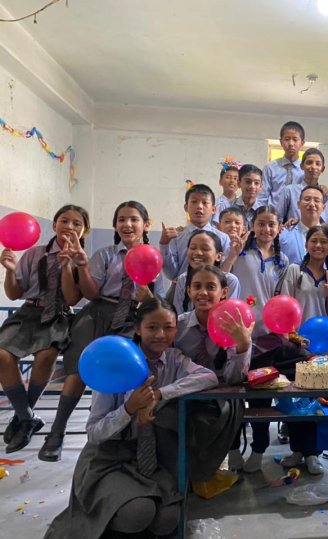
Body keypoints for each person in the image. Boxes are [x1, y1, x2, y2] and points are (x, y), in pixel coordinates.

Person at [44, 298, 218, 538]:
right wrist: (129, 409)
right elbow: (95, 433)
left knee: (168, 519)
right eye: (152, 327)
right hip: (109, 458)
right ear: (138, 328)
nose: (160, 335)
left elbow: (208, 377)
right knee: (137, 513)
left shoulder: (174, 359)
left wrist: (160, 394)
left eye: (168, 327)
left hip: (149, 457)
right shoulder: (116, 361)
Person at [39, 201, 164, 463]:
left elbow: (159, 303)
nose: (127, 224)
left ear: (146, 225)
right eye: (121, 220)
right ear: (115, 225)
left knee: (123, 374)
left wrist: (148, 297)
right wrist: (82, 266)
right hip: (97, 314)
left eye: (133, 219)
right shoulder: (105, 255)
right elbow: (91, 293)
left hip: (131, 319)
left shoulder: (154, 259)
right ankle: (56, 433)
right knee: (78, 370)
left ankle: (119, 435)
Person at [0, 205, 90, 453]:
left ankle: (22, 417)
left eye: (77, 224)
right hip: (29, 312)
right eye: (64, 221)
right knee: (2, 355)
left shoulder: (82, 260)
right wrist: (10, 271)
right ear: (54, 224)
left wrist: (66, 266)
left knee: (47, 354)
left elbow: (72, 299)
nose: (69, 227)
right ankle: (27, 417)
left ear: (84, 231)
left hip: (58, 314)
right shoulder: (34, 254)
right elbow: (14, 293)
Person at [222, 206, 290, 473]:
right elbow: (222, 278)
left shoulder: (283, 260)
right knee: (234, 396)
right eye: (261, 223)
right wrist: (231, 254)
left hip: (268, 340)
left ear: (279, 228)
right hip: (237, 334)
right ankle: (232, 449)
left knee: (262, 399)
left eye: (271, 224)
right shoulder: (240, 252)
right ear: (252, 225)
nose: (266, 229)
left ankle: (259, 450)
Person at [173, 264, 253, 484]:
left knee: (209, 420)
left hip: (221, 394)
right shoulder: (177, 326)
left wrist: (243, 345)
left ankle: (203, 473)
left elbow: (235, 379)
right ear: (188, 291)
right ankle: (181, 473)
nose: (203, 292)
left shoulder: (234, 325)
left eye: (210, 287)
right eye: (197, 286)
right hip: (184, 392)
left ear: (224, 292)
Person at [277, 225, 328, 474]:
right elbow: (284, 306)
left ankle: (313, 453)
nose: (318, 246)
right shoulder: (294, 271)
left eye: (324, 242)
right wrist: (291, 337)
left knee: (316, 399)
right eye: (314, 241)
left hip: (322, 347)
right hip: (296, 345)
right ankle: (297, 450)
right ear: (306, 244)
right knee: (295, 399)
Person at [160, 183, 231, 281]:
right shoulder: (176, 237)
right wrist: (164, 245)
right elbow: (171, 274)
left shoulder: (223, 238)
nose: (199, 206)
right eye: (194, 202)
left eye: (205, 203)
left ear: (213, 209)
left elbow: (225, 273)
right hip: (182, 288)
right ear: (186, 207)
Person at [169, 229, 240, 316]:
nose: (198, 252)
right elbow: (178, 316)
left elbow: (229, 316)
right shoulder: (183, 279)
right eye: (193, 248)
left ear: (218, 256)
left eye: (205, 249)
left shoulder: (230, 281)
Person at [279, 184, 328, 273]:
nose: (312, 204)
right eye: (307, 199)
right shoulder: (283, 236)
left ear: (323, 207)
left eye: (317, 200)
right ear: (298, 204)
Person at [275, 148, 328, 226]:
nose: (313, 167)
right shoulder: (289, 191)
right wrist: (286, 225)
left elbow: (326, 221)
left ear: (322, 169)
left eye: (318, 164)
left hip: (317, 233)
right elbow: (277, 218)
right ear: (301, 166)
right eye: (309, 163)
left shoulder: (324, 194)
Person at [258, 121, 306, 206]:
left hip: (297, 212)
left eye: (295, 140)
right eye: (287, 139)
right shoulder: (270, 168)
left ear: (302, 143)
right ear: (281, 142)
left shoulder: (305, 170)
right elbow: (262, 196)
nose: (291, 144)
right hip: (273, 212)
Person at [232, 163, 265, 228]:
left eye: (256, 183)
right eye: (248, 182)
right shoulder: (229, 207)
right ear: (239, 183)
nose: (252, 186)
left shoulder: (265, 210)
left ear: (261, 186)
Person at [212, 159, 241, 225]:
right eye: (228, 177)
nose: (232, 181)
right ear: (220, 181)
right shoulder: (215, 203)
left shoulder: (242, 204)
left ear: (239, 183)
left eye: (235, 178)